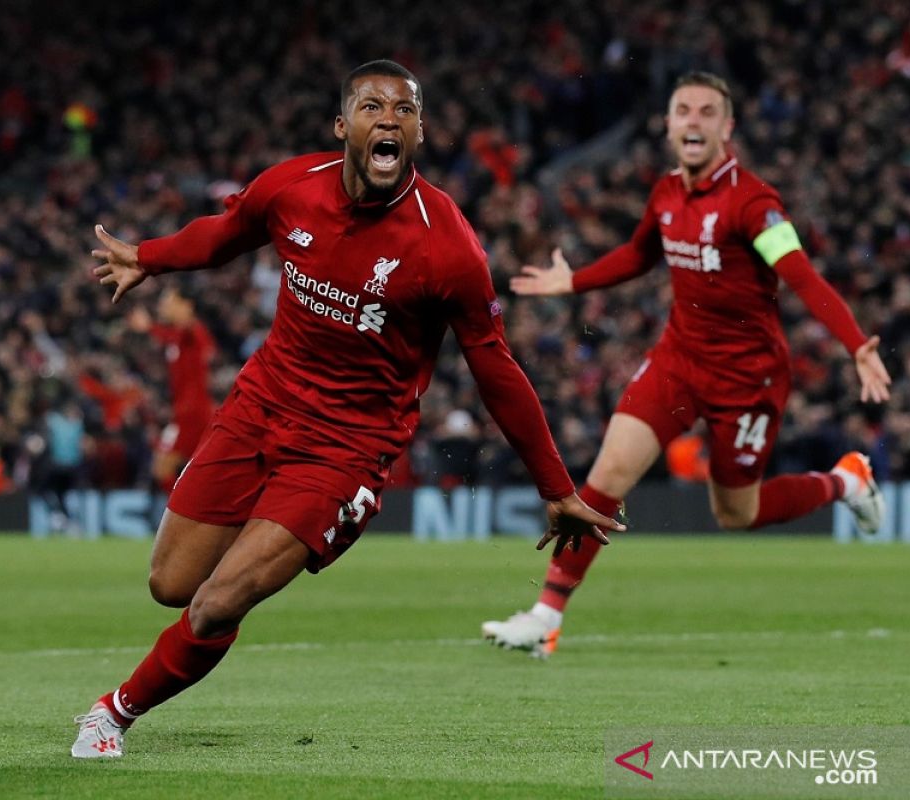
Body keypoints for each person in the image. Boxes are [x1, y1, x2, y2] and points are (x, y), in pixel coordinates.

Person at [71, 59, 624, 758]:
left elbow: (495, 367)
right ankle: (180, 650)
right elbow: (224, 231)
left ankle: (113, 713)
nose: (388, 117)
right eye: (371, 106)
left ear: (419, 132)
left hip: (347, 448)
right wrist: (150, 257)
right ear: (344, 126)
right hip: (260, 407)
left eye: (404, 109)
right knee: (170, 584)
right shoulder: (291, 188)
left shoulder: (447, 244)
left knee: (216, 601)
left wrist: (556, 487)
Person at [481, 71, 892, 659]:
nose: (693, 120)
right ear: (669, 125)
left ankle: (845, 481)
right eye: (683, 111)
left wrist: (855, 343)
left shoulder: (753, 203)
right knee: (606, 477)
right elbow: (640, 253)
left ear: (727, 128)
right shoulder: (667, 191)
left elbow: (799, 272)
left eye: (706, 112)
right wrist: (575, 279)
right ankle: (545, 618)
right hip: (678, 361)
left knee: (736, 513)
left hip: (748, 380)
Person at [127, 287, 216, 493]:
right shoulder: (176, 336)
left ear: (187, 305)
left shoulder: (193, 331)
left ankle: (184, 519)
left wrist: (149, 326)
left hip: (192, 414)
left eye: (169, 302)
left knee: (162, 467)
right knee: (200, 474)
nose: (163, 306)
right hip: (188, 412)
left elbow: (199, 340)